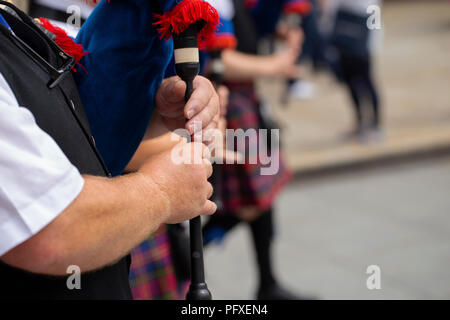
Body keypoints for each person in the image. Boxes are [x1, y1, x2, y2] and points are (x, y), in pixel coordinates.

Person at [0, 1, 217, 299]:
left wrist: (151, 115)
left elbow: (68, 133)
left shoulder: (10, 25)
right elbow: (51, 231)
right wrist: (161, 192)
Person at [200, 0, 313, 300]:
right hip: (225, 101)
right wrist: (274, 66)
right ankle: (188, 256)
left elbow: (247, 25)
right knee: (248, 201)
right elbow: (212, 57)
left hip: (245, 99)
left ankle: (268, 283)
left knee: (262, 198)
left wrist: (279, 28)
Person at [330, 0, 382, 141]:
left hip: (363, 43)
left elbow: (374, 13)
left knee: (367, 81)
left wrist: (371, 44)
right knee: (350, 82)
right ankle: (359, 123)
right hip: (344, 38)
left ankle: (376, 124)